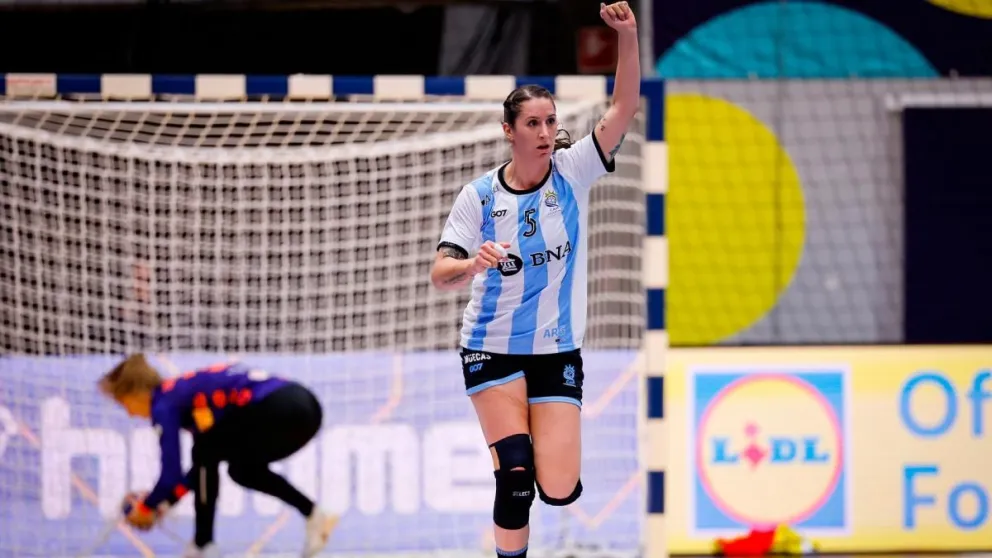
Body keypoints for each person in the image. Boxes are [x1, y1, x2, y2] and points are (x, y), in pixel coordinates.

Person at [429, 3, 640, 556]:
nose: (546, 132)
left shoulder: (574, 171)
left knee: (559, 488)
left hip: (556, 349)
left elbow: (624, 106)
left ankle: (541, 478)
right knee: (516, 480)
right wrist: (473, 264)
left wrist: (628, 36)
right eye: (533, 123)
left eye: (550, 121)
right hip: (490, 347)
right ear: (509, 131)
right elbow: (440, 272)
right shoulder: (477, 197)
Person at [98, 354, 337, 558]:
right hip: (307, 410)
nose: (129, 413)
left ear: (134, 393)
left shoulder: (163, 404)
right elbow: (199, 472)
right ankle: (315, 514)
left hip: (277, 408)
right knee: (241, 470)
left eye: (124, 404)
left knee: (206, 449)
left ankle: (203, 545)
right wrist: (163, 504)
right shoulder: (182, 395)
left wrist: (147, 505)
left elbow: (171, 475)